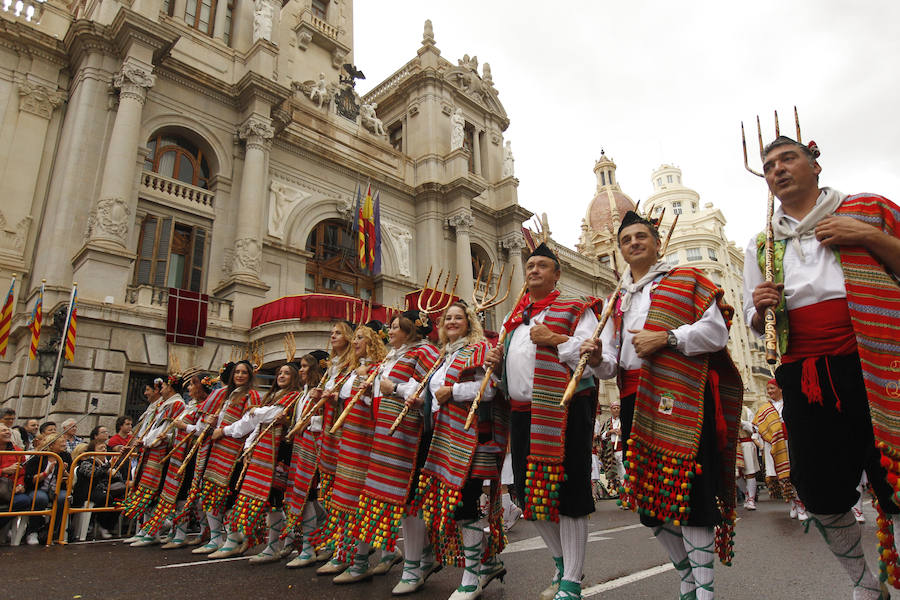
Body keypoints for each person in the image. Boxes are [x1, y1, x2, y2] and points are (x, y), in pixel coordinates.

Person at [743, 134, 900, 599]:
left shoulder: (866, 209)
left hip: (874, 363)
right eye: (769, 166)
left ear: (815, 165)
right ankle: (865, 585)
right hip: (805, 376)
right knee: (817, 490)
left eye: (787, 159)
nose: (777, 170)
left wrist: (867, 236)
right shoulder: (761, 243)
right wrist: (760, 308)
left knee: (895, 473)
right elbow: (758, 324)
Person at [583, 210, 742, 600]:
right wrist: (595, 358)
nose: (634, 243)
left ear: (657, 243)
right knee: (650, 506)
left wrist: (666, 338)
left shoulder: (686, 280)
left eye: (641, 237)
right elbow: (612, 366)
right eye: (626, 240)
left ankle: (702, 592)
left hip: (681, 395)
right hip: (634, 399)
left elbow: (716, 333)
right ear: (620, 251)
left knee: (691, 494)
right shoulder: (616, 301)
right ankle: (687, 574)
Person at [485, 242, 599, 600]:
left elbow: (592, 356)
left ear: (557, 274)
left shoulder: (576, 308)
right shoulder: (513, 319)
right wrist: (497, 365)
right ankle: (564, 565)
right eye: (530, 265)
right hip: (521, 414)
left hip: (565, 410)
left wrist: (554, 338)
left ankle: (573, 581)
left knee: (569, 495)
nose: (533, 270)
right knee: (530, 496)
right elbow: (512, 374)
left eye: (541, 266)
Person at [413, 301, 507, 600]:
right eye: (447, 318)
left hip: (469, 437)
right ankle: (488, 562)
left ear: (469, 322)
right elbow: (433, 397)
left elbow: (489, 389)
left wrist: (451, 392)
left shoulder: (478, 350)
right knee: (452, 505)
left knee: (465, 502)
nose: (452, 322)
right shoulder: (442, 357)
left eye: (458, 318)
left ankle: (472, 576)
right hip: (441, 436)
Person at [347, 311, 441, 593]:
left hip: (410, 436)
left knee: (409, 499)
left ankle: (413, 569)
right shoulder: (393, 356)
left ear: (410, 330)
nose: (389, 331)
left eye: (395, 327)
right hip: (386, 435)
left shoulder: (424, 352)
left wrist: (396, 388)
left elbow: (428, 391)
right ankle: (423, 557)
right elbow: (381, 393)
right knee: (396, 500)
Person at [316, 320, 388, 584]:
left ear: (372, 342)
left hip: (365, 442)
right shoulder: (354, 371)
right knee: (345, 499)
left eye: (360, 338)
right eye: (354, 337)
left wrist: (369, 392)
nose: (355, 342)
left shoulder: (377, 370)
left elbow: (379, 405)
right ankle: (355, 553)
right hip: (350, 441)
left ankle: (358, 562)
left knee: (357, 501)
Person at [222, 362, 302, 563]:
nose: (281, 376)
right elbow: (258, 425)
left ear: (294, 378)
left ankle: (274, 546)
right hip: (264, 452)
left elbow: (271, 415)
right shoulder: (272, 397)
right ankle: (284, 539)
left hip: (280, 452)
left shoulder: (294, 396)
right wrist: (249, 446)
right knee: (271, 501)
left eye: (286, 373)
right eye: (279, 373)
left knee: (275, 500)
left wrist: (257, 411)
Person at [190, 360, 261, 556]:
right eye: (237, 372)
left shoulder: (251, 395)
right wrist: (212, 422)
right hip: (217, 451)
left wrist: (223, 430)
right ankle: (215, 539)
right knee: (211, 495)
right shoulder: (227, 395)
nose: (239, 375)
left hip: (234, 452)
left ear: (249, 376)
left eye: (243, 373)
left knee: (229, 497)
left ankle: (231, 540)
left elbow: (250, 423)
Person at [138, 370, 210, 547]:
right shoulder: (190, 405)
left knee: (186, 494)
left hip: (192, 453)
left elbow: (201, 429)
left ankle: (185, 533)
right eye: (190, 384)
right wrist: (169, 437)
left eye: (193, 384)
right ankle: (176, 531)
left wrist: (183, 426)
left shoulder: (204, 406)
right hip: (179, 452)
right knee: (178, 494)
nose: (190, 388)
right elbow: (174, 429)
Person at [125, 373, 188, 547]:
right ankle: (146, 529)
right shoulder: (163, 404)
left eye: (164, 386)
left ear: (171, 387)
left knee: (153, 491)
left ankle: (153, 531)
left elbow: (169, 430)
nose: (161, 389)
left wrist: (148, 440)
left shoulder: (178, 404)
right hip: (150, 450)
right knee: (145, 490)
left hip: (161, 453)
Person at [282, 350, 328, 568]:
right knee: (304, 495)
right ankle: (316, 540)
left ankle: (309, 547)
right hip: (301, 447)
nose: (300, 370)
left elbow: (327, 418)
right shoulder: (304, 393)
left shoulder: (320, 391)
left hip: (316, 448)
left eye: (304, 366)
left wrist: (309, 424)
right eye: (300, 366)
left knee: (308, 495)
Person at [752, 379, 806, 519]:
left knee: (793, 473)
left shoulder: (789, 403)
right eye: (768, 389)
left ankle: (800, 505)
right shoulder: (764, 408)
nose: (769, 391)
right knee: (783, 476)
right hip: (773, 445)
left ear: (780, 389)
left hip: (789, 443)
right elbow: (758, 426)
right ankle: (793, 504)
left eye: (772, 388)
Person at [22, 434, 72, 544]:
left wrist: (64, 472)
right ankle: (33, 531)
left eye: (65, 441)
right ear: (52, 445)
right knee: (40, 498)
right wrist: (46, 473)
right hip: (38, 489)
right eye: (61, 442)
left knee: (64, 498)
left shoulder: (66, 456)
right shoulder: (38, 457)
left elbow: (70, 479)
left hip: (57, 489)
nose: (65, 444)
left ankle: (51, 531)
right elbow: (29, 480)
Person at [598, 399, 625, 499]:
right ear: (611, 410)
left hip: (621, 451)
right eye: (614, 408)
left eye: (618, 408)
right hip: (611, 454)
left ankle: (626, 498)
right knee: (616, 477)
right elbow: (602, 436)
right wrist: (610, 432)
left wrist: (622, 433)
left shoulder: (623, 421)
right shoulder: (608, 422)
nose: (616, 410)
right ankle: (622, 497)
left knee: (624, 476)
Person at [736, 403, 760, 510]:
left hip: (746, 443)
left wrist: (742, 423)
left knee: (750, 472)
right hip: (734, 445)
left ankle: (751, 499)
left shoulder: (746, 410)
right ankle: (747, 493)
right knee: (736, 474)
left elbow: (755, 428)